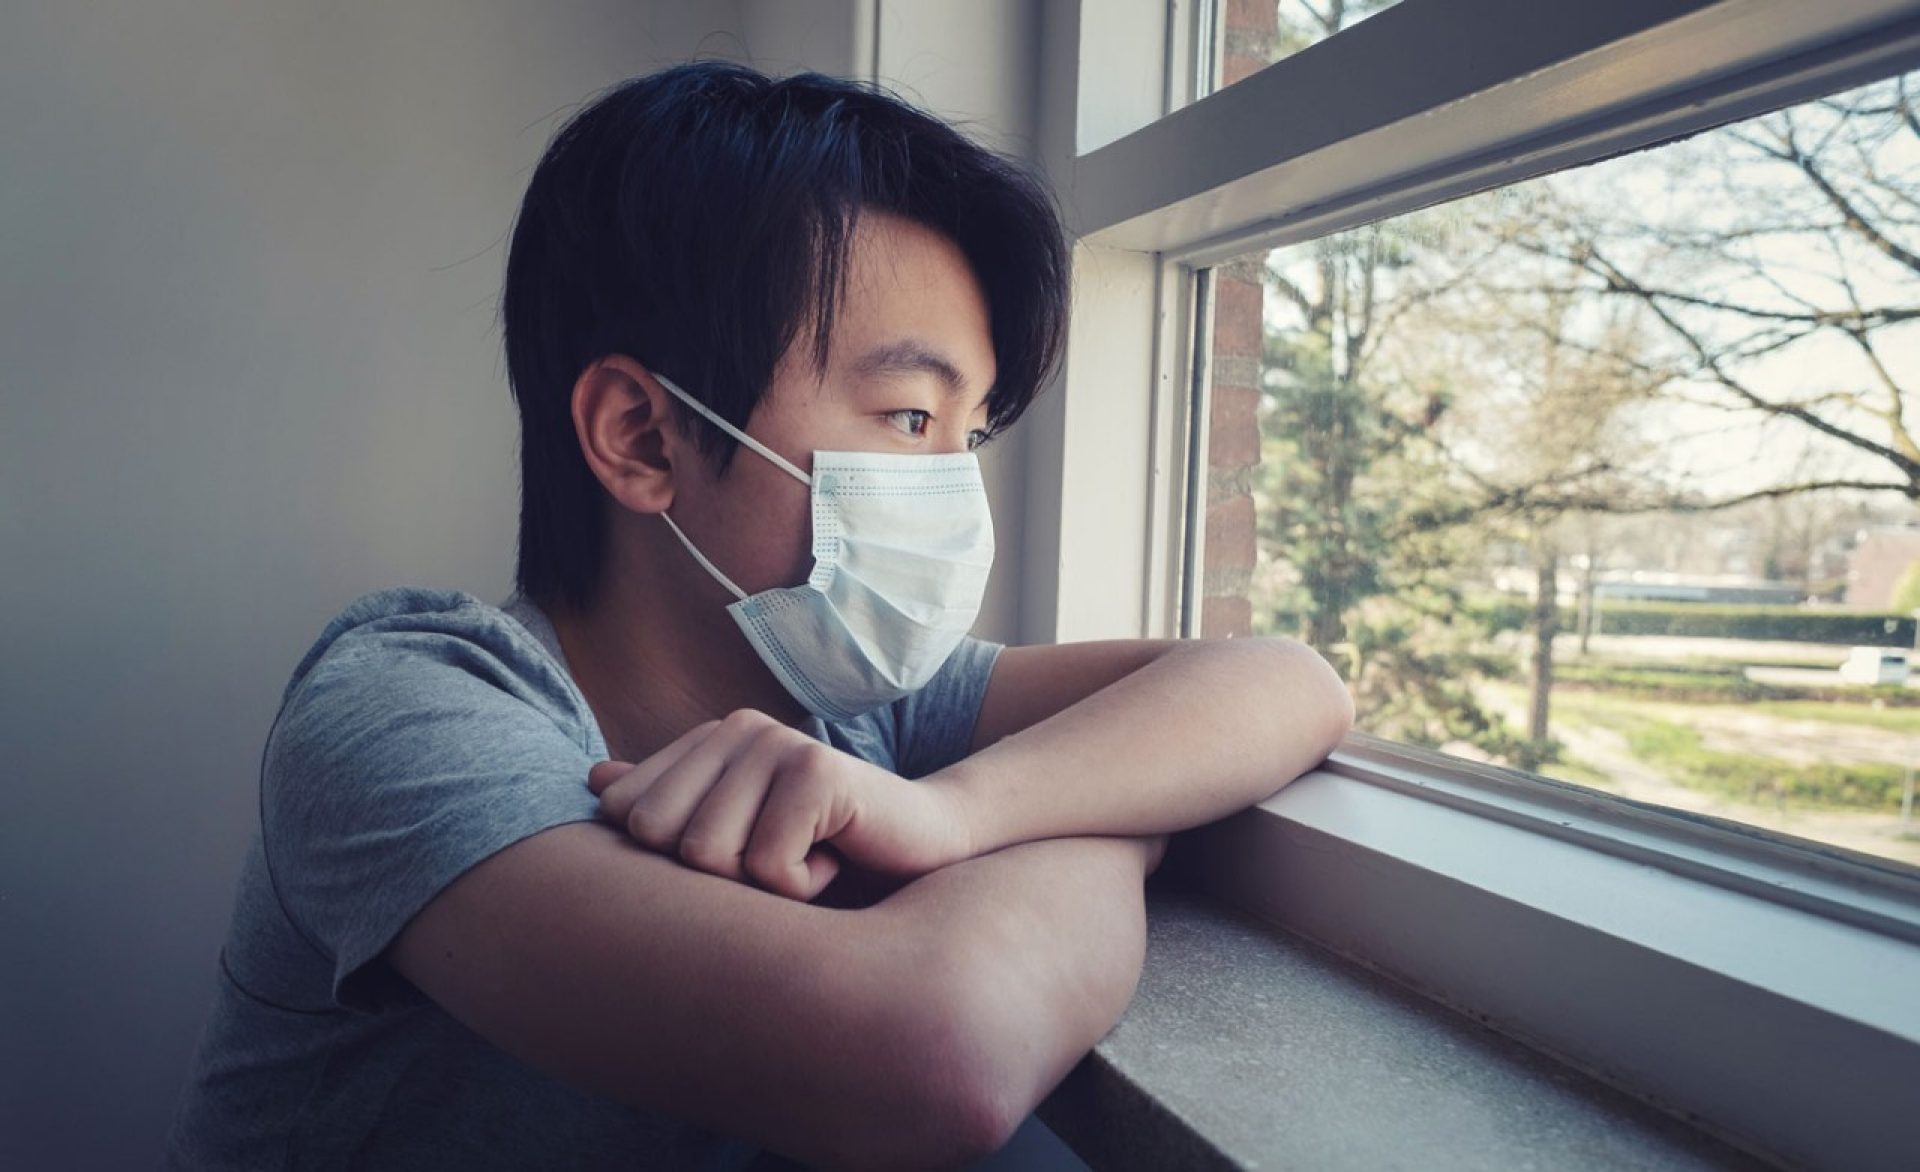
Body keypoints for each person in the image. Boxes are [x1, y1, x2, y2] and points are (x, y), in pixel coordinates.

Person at [165, 61, 1353, 1170]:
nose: (955, 484)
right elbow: (943, 1054)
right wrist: (1120, 809)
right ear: (642, 435)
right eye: (905, 418)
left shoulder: (854, 716)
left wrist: (955, 813)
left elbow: (1284, 680)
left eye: (969, 430)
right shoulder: (401, 715)